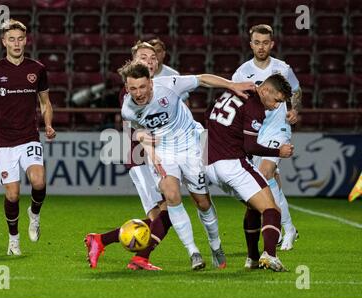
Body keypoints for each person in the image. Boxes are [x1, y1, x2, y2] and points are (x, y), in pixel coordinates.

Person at [119, 61, 255, 270]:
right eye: (133, 88)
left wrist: (231, 85)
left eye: (142, 87)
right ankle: (193, 252)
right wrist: (147, 144)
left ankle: (215, 244)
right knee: (171, 195)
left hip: (191, 146)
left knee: (202, 202)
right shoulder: (128, 108)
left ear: (151, 84)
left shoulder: (169, 84)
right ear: (127, 88)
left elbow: (201, 79)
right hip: (164, 152)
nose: (138, 93)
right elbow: (138, 130)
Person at [0, 19, 56, 255]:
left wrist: (48, 124)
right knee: (13, 194)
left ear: (26, 40)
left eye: (20, 38)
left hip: (29, 136)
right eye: (12, 39)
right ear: (4, 42)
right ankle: (13, 240)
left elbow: (45, 102)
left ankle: (34, 214)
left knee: (39, 182)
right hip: (4, 140)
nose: (16, 43)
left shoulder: (37, 69)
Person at [85, 41, 171, 271]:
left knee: (164, 212)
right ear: (134, 62)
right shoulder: (132, 90)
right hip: (139, 156)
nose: (150, 61)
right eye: (143, 57)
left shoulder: (159, 86)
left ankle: (104, 241)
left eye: (153, 58)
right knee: (164, 211)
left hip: (154, 155)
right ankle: (137, 257)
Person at [205, 74, 294, 272]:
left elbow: (208, 111)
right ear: (265, 91)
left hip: (210, 164)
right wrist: (278, 152)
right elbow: (251, 146)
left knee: (254, 207)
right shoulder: (255, 105)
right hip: (232, 163)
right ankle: (270, 255)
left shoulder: (234, 90)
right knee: (272, 210)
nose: (276, 106)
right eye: (277, 100)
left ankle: (253, 259)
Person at [232, 24, 301, 250]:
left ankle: (286, 228)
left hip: (278, 127)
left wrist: (294, 109)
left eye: (265, 42)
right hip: (255, 129)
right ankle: (285, 226)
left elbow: (297, 90)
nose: (261, 47)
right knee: (268, 182)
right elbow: (236, 99)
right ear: (251, 44)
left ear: (272, 44)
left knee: (265, 172)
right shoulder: (242, 72)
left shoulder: (282, 68)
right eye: (257, 42)